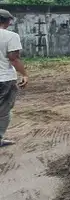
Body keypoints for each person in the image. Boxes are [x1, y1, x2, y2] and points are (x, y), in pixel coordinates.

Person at [0, 9, 27, 147]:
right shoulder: (11, 36)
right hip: (4, 79)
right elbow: (14, 59)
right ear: (7, 21)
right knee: (4, 111)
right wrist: (24, 74)